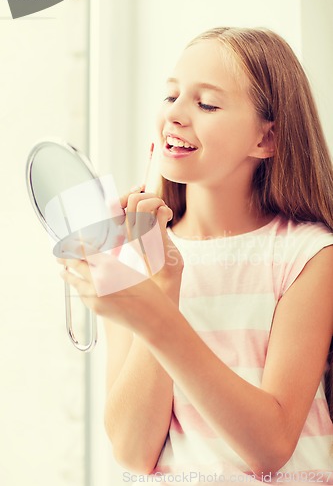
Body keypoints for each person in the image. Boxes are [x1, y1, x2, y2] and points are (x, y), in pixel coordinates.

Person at [58, 27, 333, 484]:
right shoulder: (134, 251)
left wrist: (156, 316)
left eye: (206, 104)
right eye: (170, 97)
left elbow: (271, 447)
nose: (176, 116)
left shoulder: (308, 256)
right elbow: (132, 450)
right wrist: (162, 286)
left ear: (266, 139)